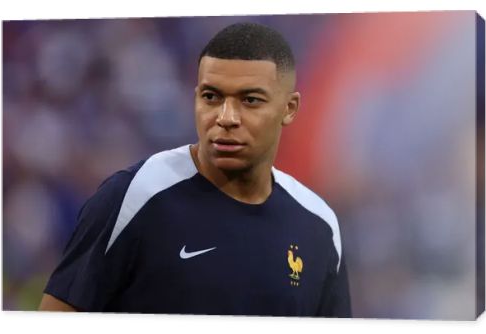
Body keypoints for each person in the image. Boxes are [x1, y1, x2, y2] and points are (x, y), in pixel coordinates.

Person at [39, 22, 351, 317]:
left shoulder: (319, 225)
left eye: (250, 100)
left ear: (289, 108)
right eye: (211, 97)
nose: (226, 117)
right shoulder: (133, 197)